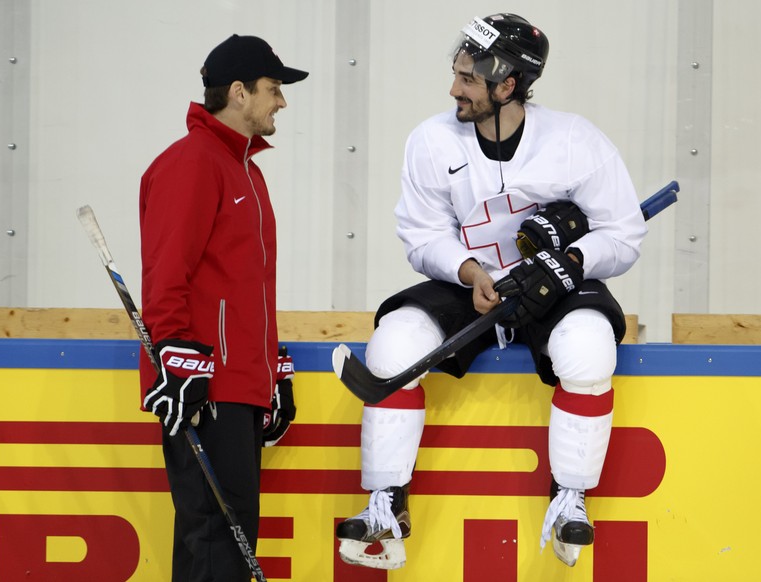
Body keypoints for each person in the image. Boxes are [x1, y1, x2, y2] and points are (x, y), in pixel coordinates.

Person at [335, 13, 647, 570]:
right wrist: (468, 270)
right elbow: (423, 233)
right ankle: (387, 505)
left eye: (469, 80)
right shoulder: (431, 140)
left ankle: (569, 496)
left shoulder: (576, 140)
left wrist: (574, 260)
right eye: (455, 74)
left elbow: (623, 234)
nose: (454, 89)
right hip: (470, 284)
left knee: (590, 347)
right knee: (393, 344)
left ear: (509, 86)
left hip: (555, 285)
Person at [138, 34, 306, 581]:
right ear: (238, 92)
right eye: (274, 88)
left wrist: (270, 369)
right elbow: (167, 277)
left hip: (237, 387)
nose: (281, 101)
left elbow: (246, 288)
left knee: (228, 546)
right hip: (204, 388)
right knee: (214, 538)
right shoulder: (193, 164)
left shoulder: (245, 171)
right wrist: (176, 361)